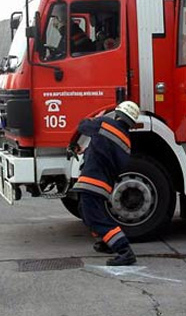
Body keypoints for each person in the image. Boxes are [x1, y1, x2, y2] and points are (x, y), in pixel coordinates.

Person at [68, 101, 140, 266]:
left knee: (96, 218)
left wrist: (95, 118)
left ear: (118, 114)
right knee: (86, 212)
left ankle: (125, 251)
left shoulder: (105, 124)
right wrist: (88, 152)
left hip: (91, 181)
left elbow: (83, 126)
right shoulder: (126, 144)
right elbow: (106, 155)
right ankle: (106, 242)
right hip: (103, 185)